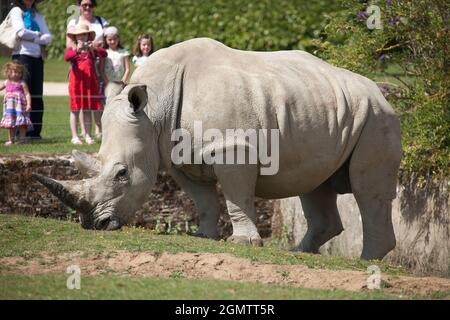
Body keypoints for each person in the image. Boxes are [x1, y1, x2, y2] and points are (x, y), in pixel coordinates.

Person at [10, 0, 52, 140]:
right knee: (21, 95)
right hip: (22, 56)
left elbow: (48, 38)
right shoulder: (17, 11)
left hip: (37, 57)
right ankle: (20, 132)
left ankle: (35, 132)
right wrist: (37, 35)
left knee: (36, 95)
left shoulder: (38, 15)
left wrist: (33, 37)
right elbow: (21, 32)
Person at [67, 0, 109, 139]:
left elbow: (104, 54)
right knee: (75, 108)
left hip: (90, 81)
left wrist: (94, 48)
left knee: (88, 108)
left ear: (88, 36)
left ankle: (87, 134)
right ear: (75, 36)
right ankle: (75, 136)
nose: (82, 37)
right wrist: (77, 50)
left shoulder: (91, 49)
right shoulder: (74, 49)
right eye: (79, 35)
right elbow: (67, 56)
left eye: (84, 35)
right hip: (77, 83)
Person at [0, 61, 33, 146]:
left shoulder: (22, 83)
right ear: (8, 72)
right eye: (14, 72)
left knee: (22, 124)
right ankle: (11, 140)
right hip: (10, 108)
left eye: (18, 72)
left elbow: (27, 94)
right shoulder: (6, 82)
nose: (16, 74)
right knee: (11, 124)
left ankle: (22, 140)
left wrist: (29, 104)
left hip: (20, 107)